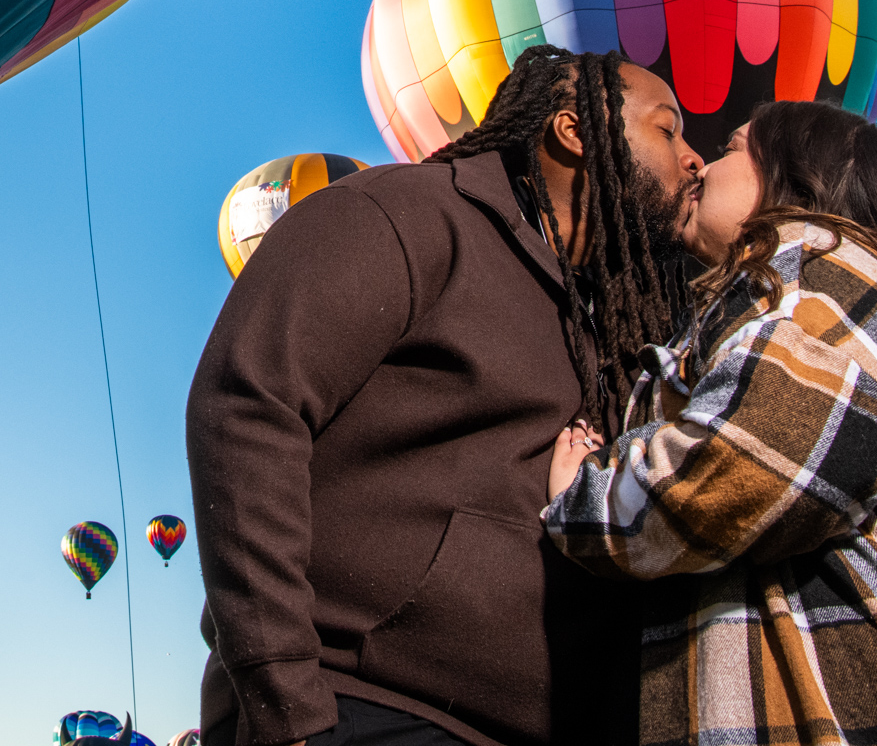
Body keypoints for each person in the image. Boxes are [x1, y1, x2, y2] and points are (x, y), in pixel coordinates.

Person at [187, 46, 703, 746]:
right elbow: (247, 407)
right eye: (667, 129)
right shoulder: (402, 213)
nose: (693, 157)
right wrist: (288, 704)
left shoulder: (607, 320)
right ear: (574, 130)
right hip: (367, 709)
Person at [544, 99, 877, 746]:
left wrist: (583, 501)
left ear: (794, 175)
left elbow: (749, 465)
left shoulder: (821, 271)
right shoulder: (801, 295)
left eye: (731, 147)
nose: (698, 163)